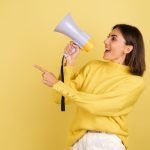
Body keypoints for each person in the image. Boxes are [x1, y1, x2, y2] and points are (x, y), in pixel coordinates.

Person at [34, 24, 146, 150]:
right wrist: (69, 63)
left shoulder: (134, 82)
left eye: (113, 38)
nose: (106, 41)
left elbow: (97, 106)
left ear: (128, 49)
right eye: (108, 37)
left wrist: (57, 84)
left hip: (106, 142)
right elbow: (61, 99)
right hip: (78, 141)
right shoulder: (92, 67)